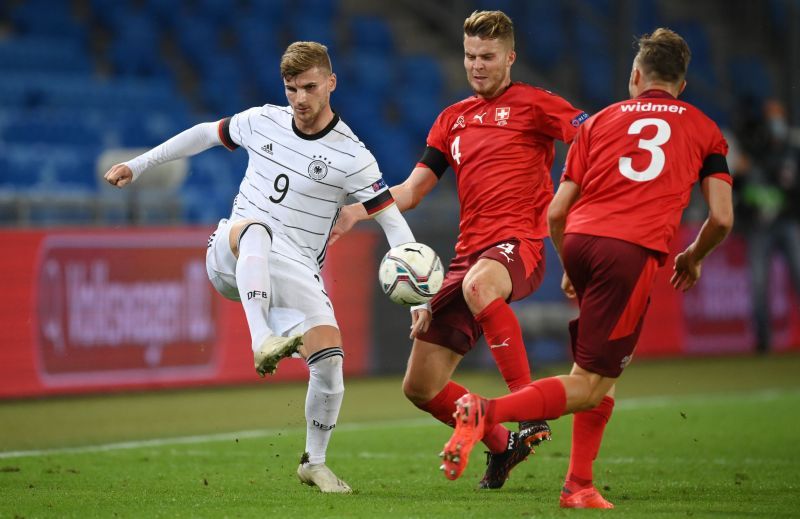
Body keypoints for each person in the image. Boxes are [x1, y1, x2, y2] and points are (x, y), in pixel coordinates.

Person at [103, 41, 421, 493]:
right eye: (292, 88)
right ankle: (262, 339)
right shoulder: (262, 119)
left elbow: (393, 223)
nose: (300, 99)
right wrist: (138, 165)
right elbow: (203, 134)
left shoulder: (353, 156)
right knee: (255, 228)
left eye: (310, 87)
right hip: (231, 252)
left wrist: (416, 304)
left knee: (330, 361)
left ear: (331, 83)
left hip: (295, 269)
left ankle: (314, 461)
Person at [440, 28, 734, 508]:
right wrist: (693, 256)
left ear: (635, 76)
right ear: (682, 84)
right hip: (632, 250)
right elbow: (721, 217)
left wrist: (571, 265)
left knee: (598, 374)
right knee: (589, 386)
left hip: (580, 238)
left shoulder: (600, 121)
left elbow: (557, 212)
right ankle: (485, 411)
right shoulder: (704, 128)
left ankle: (578, 484)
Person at [329, 10, 588, 489]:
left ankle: (528, 409)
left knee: (481, 282)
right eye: (470, 56)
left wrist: (575, 189)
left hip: (519, 247)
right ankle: (503, 446)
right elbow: (410, 190)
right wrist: (358, 211)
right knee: (420, 386)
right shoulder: (452, 119)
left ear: (510, 57)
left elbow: (590, 134)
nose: (477, 65)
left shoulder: (536, 104)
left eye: (488, 56)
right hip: (468, 258)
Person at [732, 97, 800, 353]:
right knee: (759, 283)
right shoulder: (755, 148)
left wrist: (783, 201)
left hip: (789, 222)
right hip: (760, 226)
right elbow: (741, 187)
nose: (775, 121)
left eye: (778, 115)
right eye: (771, 116)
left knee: (799, 276)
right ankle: (763, 341)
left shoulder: (793, 151)